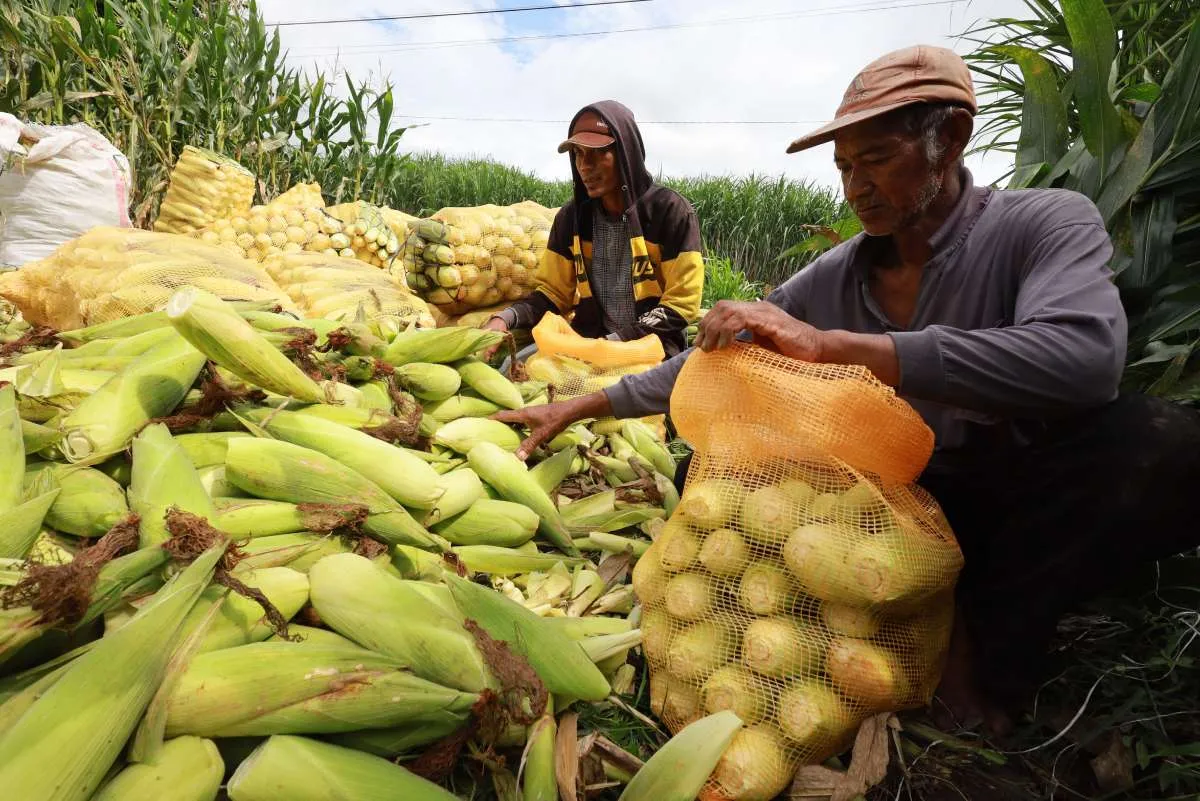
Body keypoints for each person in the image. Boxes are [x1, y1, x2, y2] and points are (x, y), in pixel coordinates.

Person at [495, 46, 1200, 736]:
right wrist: (584, 403)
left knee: (1153, 443)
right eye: (843, 168)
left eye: (878, 159)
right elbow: (717, 354)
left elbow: (1085, 358)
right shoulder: (838, 274)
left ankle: (987, 658)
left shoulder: (1043, 223)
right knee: (702, 471)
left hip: (1018, 486)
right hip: (895, 499)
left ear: (949, 138)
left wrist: (841, 349)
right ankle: (898, 614)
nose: (855, 186)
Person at [482, 100, 704, 361]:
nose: (585, 165)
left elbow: (680, 305)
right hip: (589, 341)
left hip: (652, 351)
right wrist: (504, 318)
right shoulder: (572, 218)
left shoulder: (670, 212)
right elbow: (552, 294)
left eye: (598, 153)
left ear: (626, 153)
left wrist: (610, 344)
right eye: (578, 153)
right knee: (516, 365)